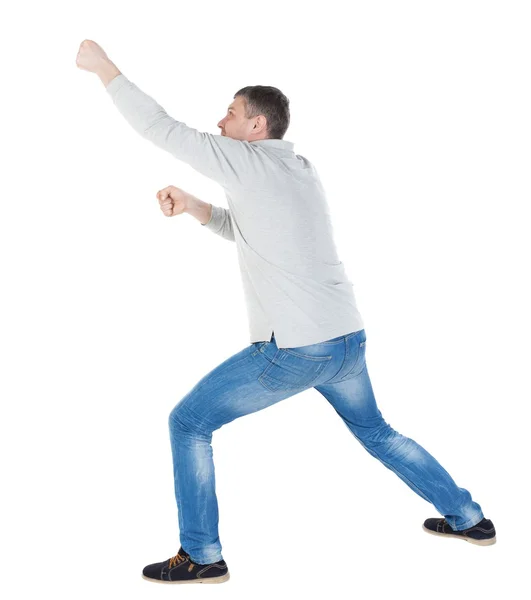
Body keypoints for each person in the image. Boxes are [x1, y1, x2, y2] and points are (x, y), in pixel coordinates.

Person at [76, 40, 496, 585]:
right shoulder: (296, 168)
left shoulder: (246, 161)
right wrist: (198, 209)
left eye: (230, 111)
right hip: (346, 342)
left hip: (298, 349)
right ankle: (469, 518)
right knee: (379, 433)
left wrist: (105, 69)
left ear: (256, 127)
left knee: (188, 422)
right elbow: (248, 231)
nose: (219, 120)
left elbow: (161, 128)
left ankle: (202, 555)